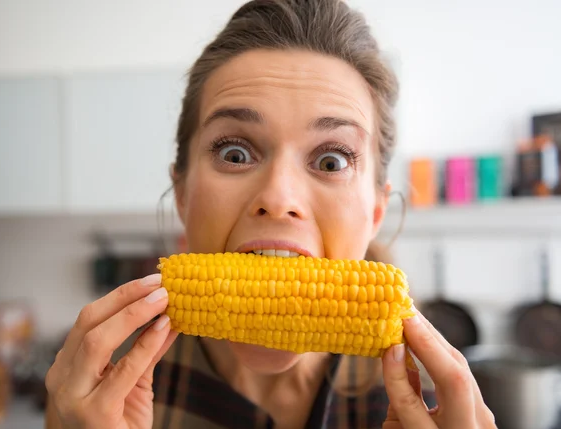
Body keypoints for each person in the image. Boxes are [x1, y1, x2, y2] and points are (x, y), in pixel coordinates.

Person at [45, 1, 496, 428]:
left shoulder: (433, 404)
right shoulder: (94, 388)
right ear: (182, 192)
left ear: (376, 210)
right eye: (235, 153)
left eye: (332, 161)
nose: (278, 198)